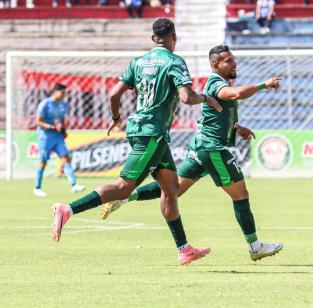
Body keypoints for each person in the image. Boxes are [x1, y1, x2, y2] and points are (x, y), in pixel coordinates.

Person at [50, 18, 223, 266]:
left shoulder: (138, 62)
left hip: (146, 131)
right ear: (174, 37)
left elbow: (114, 94)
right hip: (151, 133)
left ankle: (184, 249)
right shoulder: (174, 62)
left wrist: (116, 118)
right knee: (123, 187)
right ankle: (68, 209)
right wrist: (206, 98)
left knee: (171, 189)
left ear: (154, 38)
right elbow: (187, 97)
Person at [100, 44, 284, 262]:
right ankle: (255, 246)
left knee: (173, 190)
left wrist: (236, 127)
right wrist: (263, 84)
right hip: (212, 148)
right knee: (240, 194)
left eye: (234, 59)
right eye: (229, 61)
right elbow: (234, 94)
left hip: (200, 147)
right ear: (215, 64)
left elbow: (219, 111)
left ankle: (124, 197)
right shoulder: (216, 82)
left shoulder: (219, 82)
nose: (234, 63)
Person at [34, 83, 85, 197]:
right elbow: (39, 121)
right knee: (43, 161)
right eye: (62, 92)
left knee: (66, 157)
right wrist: (52, 127)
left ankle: (74, 185)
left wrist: (64, 130)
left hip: (57, 136)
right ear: (55, 92)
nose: (64, 95)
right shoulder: (45, 104)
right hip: (45, 136)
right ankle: (37, 187)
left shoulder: (63, 104)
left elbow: (61, 118)